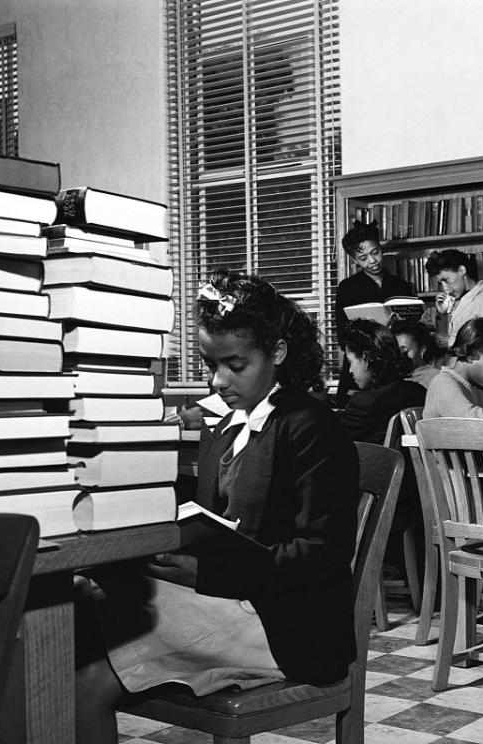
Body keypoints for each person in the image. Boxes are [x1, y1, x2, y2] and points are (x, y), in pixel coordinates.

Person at [74, 271, 360, 744]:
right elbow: (213, 519)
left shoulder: (312, 428)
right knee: (77, 609)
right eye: (211, 363)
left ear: (279, 354)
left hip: (286, 624)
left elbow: (323, 554)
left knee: (84, 675)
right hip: (228, 599)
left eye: (236, 364)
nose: (218, 380)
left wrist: (206, 574)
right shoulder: (224, 423)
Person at [335, 219, 416, 405]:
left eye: (375, 252)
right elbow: (342, 336)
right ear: (354, 260)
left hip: (396, 365)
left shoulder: (401, 285)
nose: (372, 261)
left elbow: (414, 329)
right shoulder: (347, 288)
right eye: (363, 258)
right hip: (362, 366)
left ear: (381, 249)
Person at [338, 318, 427, 444]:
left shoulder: (366, 402)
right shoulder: (419, 391)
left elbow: (331, 439)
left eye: (350, 362)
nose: (350, 371)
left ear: (366, 358)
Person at [425, 248, 483, 347]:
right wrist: (442, 315)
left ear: (461, 270)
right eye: (441, 283)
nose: (445, 288)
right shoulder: (456, 301)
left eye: (446, 280)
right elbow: (444, 341)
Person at [391, 318, 442, 389]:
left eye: (405, 351)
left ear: (422, 349)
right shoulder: (391, 377)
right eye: (396, 350)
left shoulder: (436, 378)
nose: (399, 355)